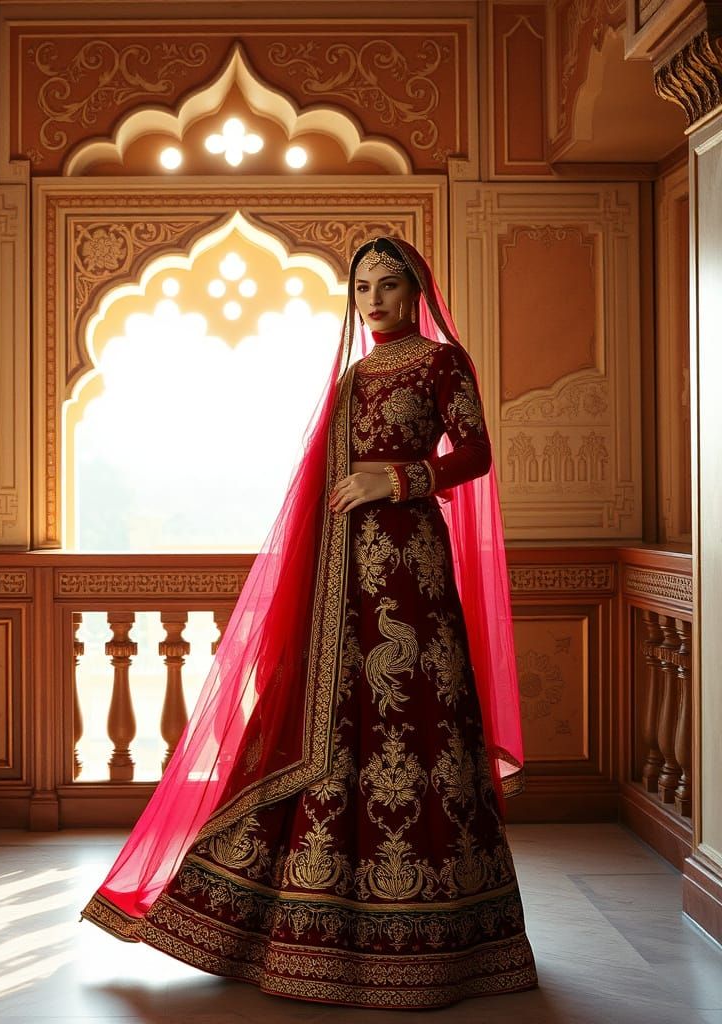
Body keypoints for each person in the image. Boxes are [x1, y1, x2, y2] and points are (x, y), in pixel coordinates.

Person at [82, 237, 538, 1009]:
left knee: (420, 727)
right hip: (343, 580)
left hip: (414, 571)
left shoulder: (441, 364)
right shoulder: (355, 376)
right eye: (362, 288)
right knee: (333, 725)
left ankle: (445, 940)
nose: (374, 301)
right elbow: (322, 485)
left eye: (389, 286)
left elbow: (478, 454)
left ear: (416, 289)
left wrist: (395, 478)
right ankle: (307, 931)